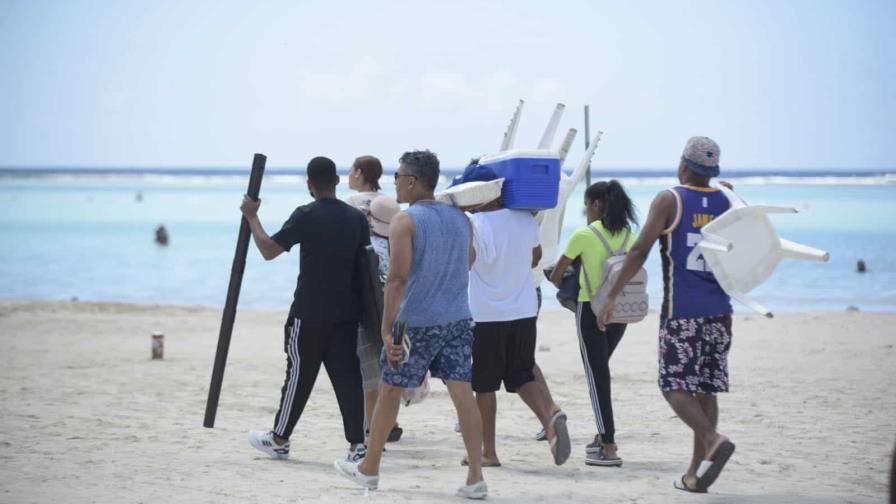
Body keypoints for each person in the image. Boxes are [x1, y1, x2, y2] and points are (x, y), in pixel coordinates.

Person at [334, 150, 488, 500]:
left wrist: (388, 330)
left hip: (416, 322)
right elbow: (470, 259)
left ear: (413, 181)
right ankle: (476, 478)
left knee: (389, 390)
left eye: (398, 175)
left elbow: (397, 280)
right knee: (464, 396)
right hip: (458, 319)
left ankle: (368, 470)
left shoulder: (406, 221)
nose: (394, 181)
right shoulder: (460, 219)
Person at [597, 136, 736, 493]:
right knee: (705, 389)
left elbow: (640, 250)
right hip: (721, 311)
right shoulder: (727, 199)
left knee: (673, 385)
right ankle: (696, 474)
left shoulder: (669, 199)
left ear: (683, 165)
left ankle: (711, 439)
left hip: (683, 312)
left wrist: (612, 295)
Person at [240, 156, 370, 464]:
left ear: (310, 185)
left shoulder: (305, 215)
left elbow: (269, 250)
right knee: (348, 380)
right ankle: (358, 445)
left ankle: (280, 440)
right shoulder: (355, 219)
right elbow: (365, 268)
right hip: (346, 314)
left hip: (309, 312)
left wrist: (252, 217)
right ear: (337, 181)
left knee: (299, 376)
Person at [469, 200, 570, 467]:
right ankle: (549, 418)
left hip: (487, 314)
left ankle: (488, 452)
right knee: (522, 373)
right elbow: (534, 258)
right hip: (523, 309)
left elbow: (467, 262)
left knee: (485, 385)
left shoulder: (474, 223)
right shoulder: (524, 218)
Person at [549, 180, 638, 467]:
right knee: (600, 372)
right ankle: (602, 439)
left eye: (586, 204)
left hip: (591, 310)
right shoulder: (629, 235)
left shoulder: (584, 235)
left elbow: (556, 274)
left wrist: (570, 277)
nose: (586, 210)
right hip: (621, 311)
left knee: (597, 378)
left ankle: (609, 444)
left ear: (596, 205)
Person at [352, 193, 404, 442]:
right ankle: (388, 424)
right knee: (388, 378)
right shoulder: (400, 244)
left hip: (370, 317)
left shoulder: (368, 247)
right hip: (398, 316)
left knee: (370, 382)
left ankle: (372, 434)